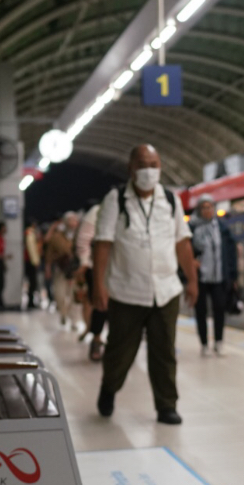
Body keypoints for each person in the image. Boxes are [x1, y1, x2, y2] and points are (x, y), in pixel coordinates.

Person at [93, 144, 198, 425]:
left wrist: (192, 281)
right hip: (126, 290)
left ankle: (166, 405)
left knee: (164, 352)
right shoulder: (116, 199)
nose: (149, 171)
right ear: (130, 168)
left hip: (166, 290)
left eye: (154, 164)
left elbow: (182, 243)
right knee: (119, 352)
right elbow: (102, 244)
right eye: (142, 164)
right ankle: (109, 388)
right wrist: (98, 286)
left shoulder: (171, 200)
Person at [190, 198, 238, 356]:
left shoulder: (222, 229)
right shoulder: (192, 229)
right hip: (201, 277)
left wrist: (233, 276)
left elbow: (231, 254)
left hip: (219, 277)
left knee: (219, 309)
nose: (206, 210)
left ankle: (218, 342)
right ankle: (203, 343)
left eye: (209, 207)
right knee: (201, 311)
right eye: (203, 207)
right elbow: (186, 250)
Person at [75, 201, 108, 360]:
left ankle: (114, 341)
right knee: (100, 304)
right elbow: (84, 239)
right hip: (97, 267)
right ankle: (96, 339)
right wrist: (85, 263)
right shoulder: (97, 211)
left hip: (121, 269)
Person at [44, 211, 80, 327]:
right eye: (70, 221)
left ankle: (74, 320)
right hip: (60, 270)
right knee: (60, 295)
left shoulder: (79, 236)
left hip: (75, 271)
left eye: (74, 220)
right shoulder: (57, 237)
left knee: (74, 296)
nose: (72, 223)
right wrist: (48, 268)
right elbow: (49, 253)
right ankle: (63, 313)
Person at [23, 219, 43, 309]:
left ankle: (31, 301)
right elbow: (31, 249)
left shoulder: (29, 233)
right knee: (32, 282)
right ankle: (30, 302)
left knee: (32, 282)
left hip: (29, 261)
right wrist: (35, 261)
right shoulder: (30, 233)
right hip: (31, 262)